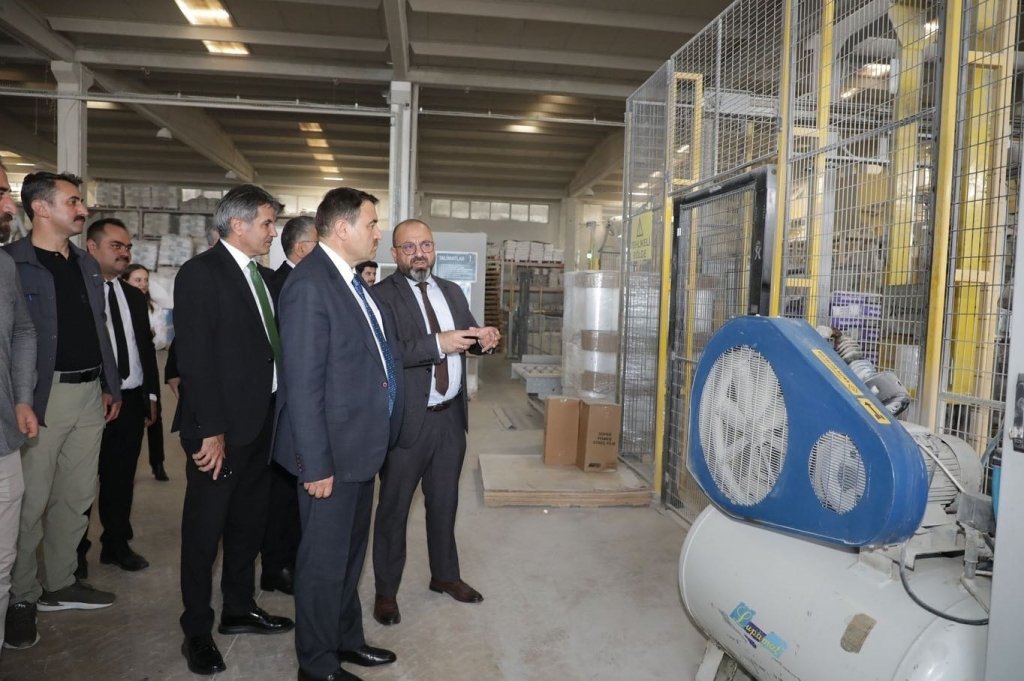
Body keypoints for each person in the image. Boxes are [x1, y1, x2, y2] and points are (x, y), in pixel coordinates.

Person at [273, 187, 401, 681]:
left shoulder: (348, 280)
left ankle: (346, 640)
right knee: (322, 565)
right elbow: (302, 386)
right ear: (342, 228)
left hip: (359, 448)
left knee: (348, 559)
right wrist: (316, 464)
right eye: (372, 224)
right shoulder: (310, 285)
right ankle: (317, 664)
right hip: (330, 456)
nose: (378, 233)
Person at [173, 184, 293, 676]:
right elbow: (195, 357)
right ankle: (196, 630)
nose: (273, 232)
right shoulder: (201, 273)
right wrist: (210, 430)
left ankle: (239, 608)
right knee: (205, 532)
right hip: (218, 430)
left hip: (261, 422)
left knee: (248, 523)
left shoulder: (262, 277)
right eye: (267, 223)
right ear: (237, 224)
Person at [2, 171, 122, 650]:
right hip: (40, 396)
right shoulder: (13, 262)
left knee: (76, 495)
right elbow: (15, 338)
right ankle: (21, 597)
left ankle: (60, 582)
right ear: (40, 208)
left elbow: (98, 325)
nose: (82, 209)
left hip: (90, 391)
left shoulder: (86, 263)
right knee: (30, 502)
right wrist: (19, 398)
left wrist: (110, 383)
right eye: (72, 201)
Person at [371, 219, 500, 627]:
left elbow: (467, 337)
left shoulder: (451, 291)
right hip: (409, 423)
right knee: (393, 511)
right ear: (394, 254)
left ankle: (444, 575)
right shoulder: (381, 297)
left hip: (449, 421)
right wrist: (436, 344)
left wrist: (483, 339)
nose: (419, 254)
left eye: (425, 245)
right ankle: (386, 592)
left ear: (434, 249)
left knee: (444, 503)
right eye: (409, 247)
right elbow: (386, 352)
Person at [76, 219, 159, 576]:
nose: (124, 253)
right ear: (92, 247)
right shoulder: (79, 293)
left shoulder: (133, 297)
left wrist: (150, 394)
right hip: (91, 400)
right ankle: (74, 552)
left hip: (131, 400)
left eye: (127, 247)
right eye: (116, 246)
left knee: (121, 478)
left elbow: (145, 350)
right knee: (79, 481)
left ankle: (116, 544)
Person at [259, 215, 316, 596]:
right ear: (302, 248)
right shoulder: (277, 286)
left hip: (303, 403)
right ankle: (276, 566)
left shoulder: (308, 284)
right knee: (279, 493)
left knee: (299, 490)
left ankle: (295, 559)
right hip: (278, 405)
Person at [0, 161, 39, 654]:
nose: (10, 206)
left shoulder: (3, 266)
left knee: (1, 564)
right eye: (2, 194)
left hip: (4, 441)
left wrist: (22, 396)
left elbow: (24, 330)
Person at [122, 264, 170, 481]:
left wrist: (147, 336)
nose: (143, 284)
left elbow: (160, 340)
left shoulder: (153, 308)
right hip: (128, 370)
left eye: (145, 280)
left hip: (148, 368)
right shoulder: (120, 306)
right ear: (126, 281)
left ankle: (157, 462)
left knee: (155, 413)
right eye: (137, 280)